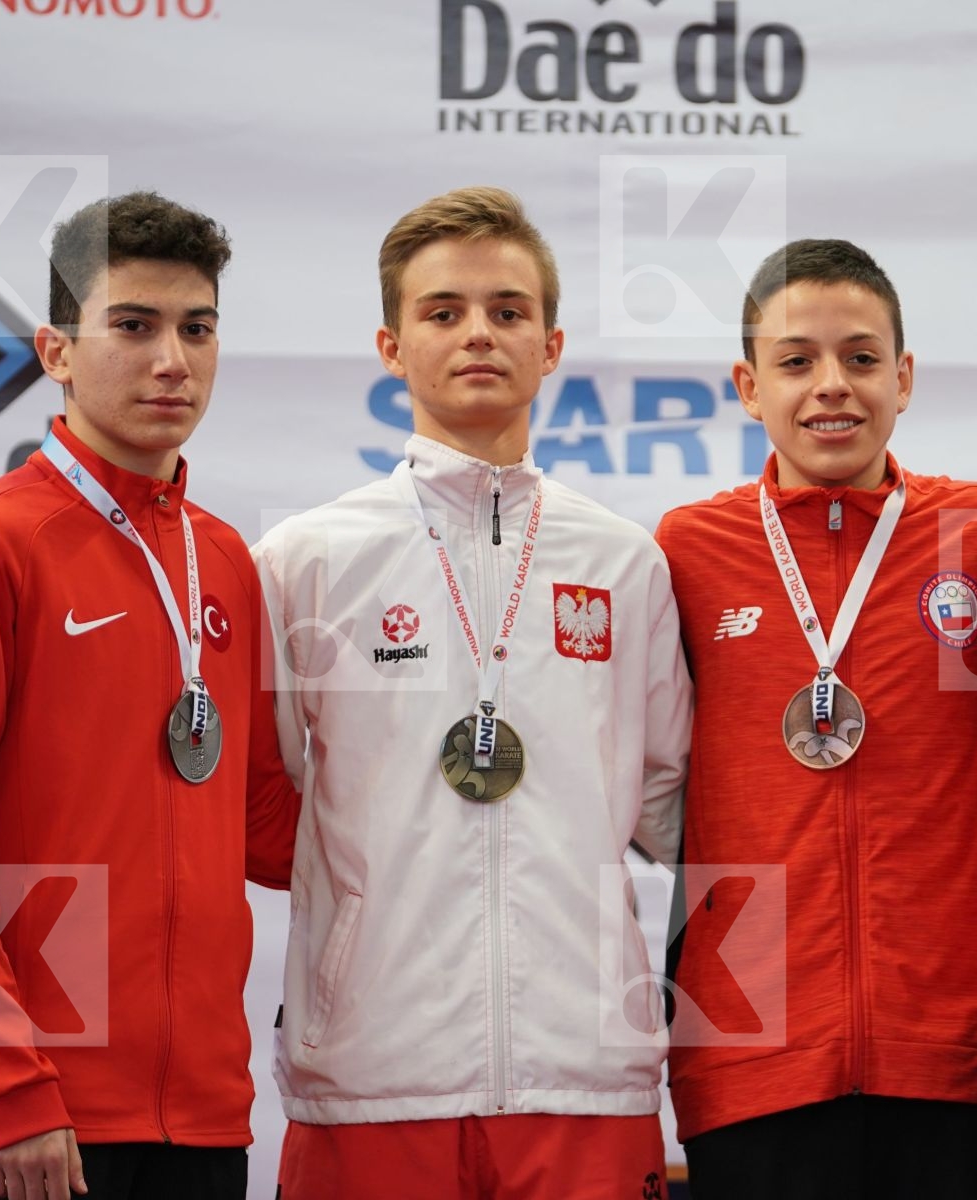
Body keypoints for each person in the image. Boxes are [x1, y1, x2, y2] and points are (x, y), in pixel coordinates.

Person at [254, 185, 692, 1200]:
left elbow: (673, 806)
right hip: (370, 1077)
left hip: (585, 1075)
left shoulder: (625, 561)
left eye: (508, 310)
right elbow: (264, 802)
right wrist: (365, 919)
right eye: (443, 312)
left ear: (552, 345)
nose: (479, 334)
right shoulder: (306, 561)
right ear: (391, 346)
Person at [0, 191, 302, 1200]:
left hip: (208, 1120)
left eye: (197, 329)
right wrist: (5, 1084)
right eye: (134, 326)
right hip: (42, 1116)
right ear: (57, 352)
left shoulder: (224, 560)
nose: (173, 360)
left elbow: (265, 830)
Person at [653, 239, 977, 1199]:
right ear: (748, 386)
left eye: (861, 358)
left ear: (904, 378)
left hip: (957, 1036)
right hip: (751, 1042)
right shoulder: (685, 551)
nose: (832, 385)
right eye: (796, 360)